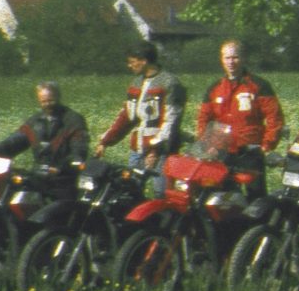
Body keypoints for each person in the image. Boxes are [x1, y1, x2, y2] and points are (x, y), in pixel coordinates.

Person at [198, 39, 284, 186]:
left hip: (250, 151)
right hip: (221, 151)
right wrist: (206, 144)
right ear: (222, 59)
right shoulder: (215, 88)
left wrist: (267, 146)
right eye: (227, 58)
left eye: (235, 57)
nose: (231, 62)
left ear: (243, 58)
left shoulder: (259, 85)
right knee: (221, 193)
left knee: (255, 194)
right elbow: (203, 119)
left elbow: (275, 118)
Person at [95, 40, 187, 169]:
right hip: (137, 150)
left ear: (144, 61)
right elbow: (126, 117)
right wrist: (105, 142)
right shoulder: (136, 83)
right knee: (130, 181)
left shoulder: (170, 83)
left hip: (161, 152)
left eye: (132, 62)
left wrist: (155, 150)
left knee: (159, 183)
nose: (129, 66)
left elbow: (171, 121)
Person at [0, 80, 89, 184]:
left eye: (51, 100)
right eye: (43, 101)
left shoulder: (74, 120)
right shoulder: (34, 122)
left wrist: (61, 168)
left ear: (58, 97)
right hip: (38, 176)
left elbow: (79, 150)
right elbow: (13, 143)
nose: (47, 104)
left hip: (64, 178)